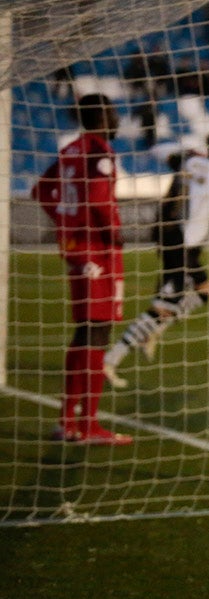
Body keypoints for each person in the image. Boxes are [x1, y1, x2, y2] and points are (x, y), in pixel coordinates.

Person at [103, 128, 209, 387]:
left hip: (176, 239)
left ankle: (153, 331)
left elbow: (161, 151)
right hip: (182, 243)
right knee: (164, 305)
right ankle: (111, 360)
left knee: (204, 291)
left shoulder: (191, 160)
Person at [31, 93, 133, 445]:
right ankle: (88, 425)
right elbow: (98, 197)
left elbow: (41, 191)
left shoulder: (70, 149)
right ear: (103, 116)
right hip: (98, 253)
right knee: (97, 333)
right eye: (115, 111)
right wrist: (112, 232)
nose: (118, 118)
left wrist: (65, 225)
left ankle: (67, 421)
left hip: (77, 250)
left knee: (85, 333)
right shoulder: (99, 151)